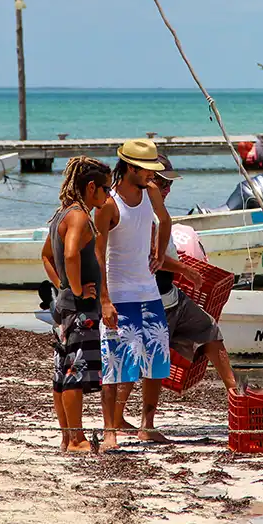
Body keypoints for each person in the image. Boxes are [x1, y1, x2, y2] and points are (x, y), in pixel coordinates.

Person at [115, 155, 237, 435]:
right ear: (147, 180)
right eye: (162, 182)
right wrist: (187, 270)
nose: (167, 189)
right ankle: (123, 421)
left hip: (171, 295)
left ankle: (236, 396)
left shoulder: (157, 212)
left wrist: (179, 266)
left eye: (169, 184)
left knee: (209, 329)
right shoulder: (139, 212)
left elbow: (163, 253)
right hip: (149, 298)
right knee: (143, 360)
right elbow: (152, 257)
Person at [94, 138, 172, 451]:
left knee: (156, 361)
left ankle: (147, 426)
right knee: (116, 364)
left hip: (149, 292)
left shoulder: (150, 192)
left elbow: (165, 220)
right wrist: (104, 300)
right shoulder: (110, 204)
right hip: (120, 293)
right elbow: (97, 254)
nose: (152, 175)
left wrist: (160, 253)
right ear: (129, 168)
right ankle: (110, 431)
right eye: (146, 170)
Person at [40, 156, 112, 452]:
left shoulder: (62, 214)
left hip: (63, 307)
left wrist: (62, 286)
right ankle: (77, 439)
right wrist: (79, 290)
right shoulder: (79, 216)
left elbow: (45, 255)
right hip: (79, 310)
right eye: (106, 189)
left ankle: (68, 438)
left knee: (62, 373)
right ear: (91, 187)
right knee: (74, 373)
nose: (108, 195)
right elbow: (69, 255)